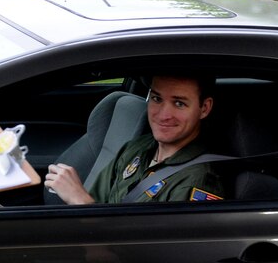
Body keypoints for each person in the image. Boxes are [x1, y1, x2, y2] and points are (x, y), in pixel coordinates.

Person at [45, 75, 224, 204]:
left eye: (179, 103)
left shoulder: (196, 181)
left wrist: (79, 200)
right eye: (157, 98)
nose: (163, 115)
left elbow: (156, 255)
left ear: (204, 108)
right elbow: (97, 203)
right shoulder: (138, 147)